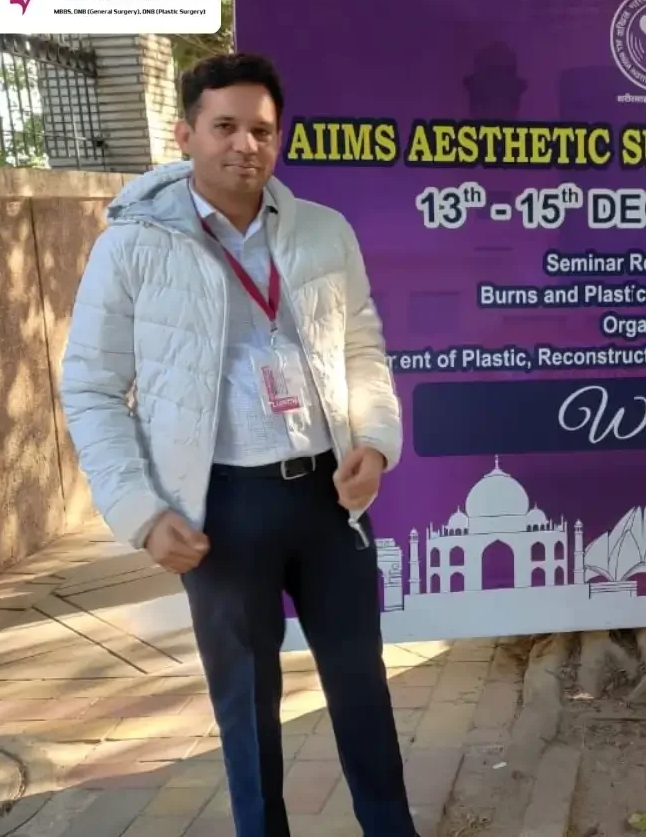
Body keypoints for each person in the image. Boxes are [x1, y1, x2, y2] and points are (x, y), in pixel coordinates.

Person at [59, 53, 417, 837]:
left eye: (261, 130)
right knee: (246, 707)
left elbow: (362, 347)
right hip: (219, 509)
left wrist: (375, 441)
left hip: (327, 498)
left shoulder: (324, 232)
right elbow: (90, 388)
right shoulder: (134, 246)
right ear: (185, 134)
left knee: (362, 686)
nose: (245, 145)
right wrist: (139, 511)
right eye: (225, 127)